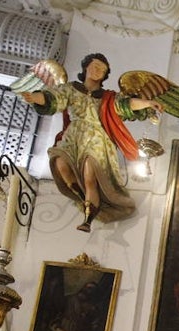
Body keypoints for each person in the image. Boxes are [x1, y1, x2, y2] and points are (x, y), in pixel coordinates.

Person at [18, 54, 164, 232]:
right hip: (73, 136)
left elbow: (127, 105)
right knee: (59, 162)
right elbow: (53, 98)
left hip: (96, 139)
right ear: (86, 67)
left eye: (102, 69)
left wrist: (148, 103)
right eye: (95, 66)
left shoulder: (107, 97)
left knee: (90, 177)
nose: (98, 71)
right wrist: (35, 98)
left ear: (105, 75)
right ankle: (83, 199)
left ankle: (88, 219)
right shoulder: (70, 89)